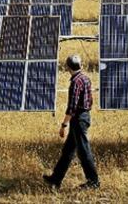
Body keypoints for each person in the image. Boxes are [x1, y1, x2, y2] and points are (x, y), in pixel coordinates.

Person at [43, 54, 99, 190]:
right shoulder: (85, 78)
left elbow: (72, 107)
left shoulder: (75, 82)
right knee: (68, 151)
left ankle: (93, 182)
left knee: (84, 151)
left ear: (68, 67)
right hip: (83, 117)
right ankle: (56, 178)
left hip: (78, 119)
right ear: (81, 65)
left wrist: (64, 125)